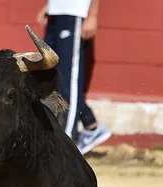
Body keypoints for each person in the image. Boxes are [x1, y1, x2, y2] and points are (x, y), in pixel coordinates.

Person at [36, 0, 112, 155]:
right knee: (52, 77)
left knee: (69, 81)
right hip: (57, 12)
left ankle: (67, 143)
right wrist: (51, 5)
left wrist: (92, 15)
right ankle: (91, 125)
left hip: (75, 13)